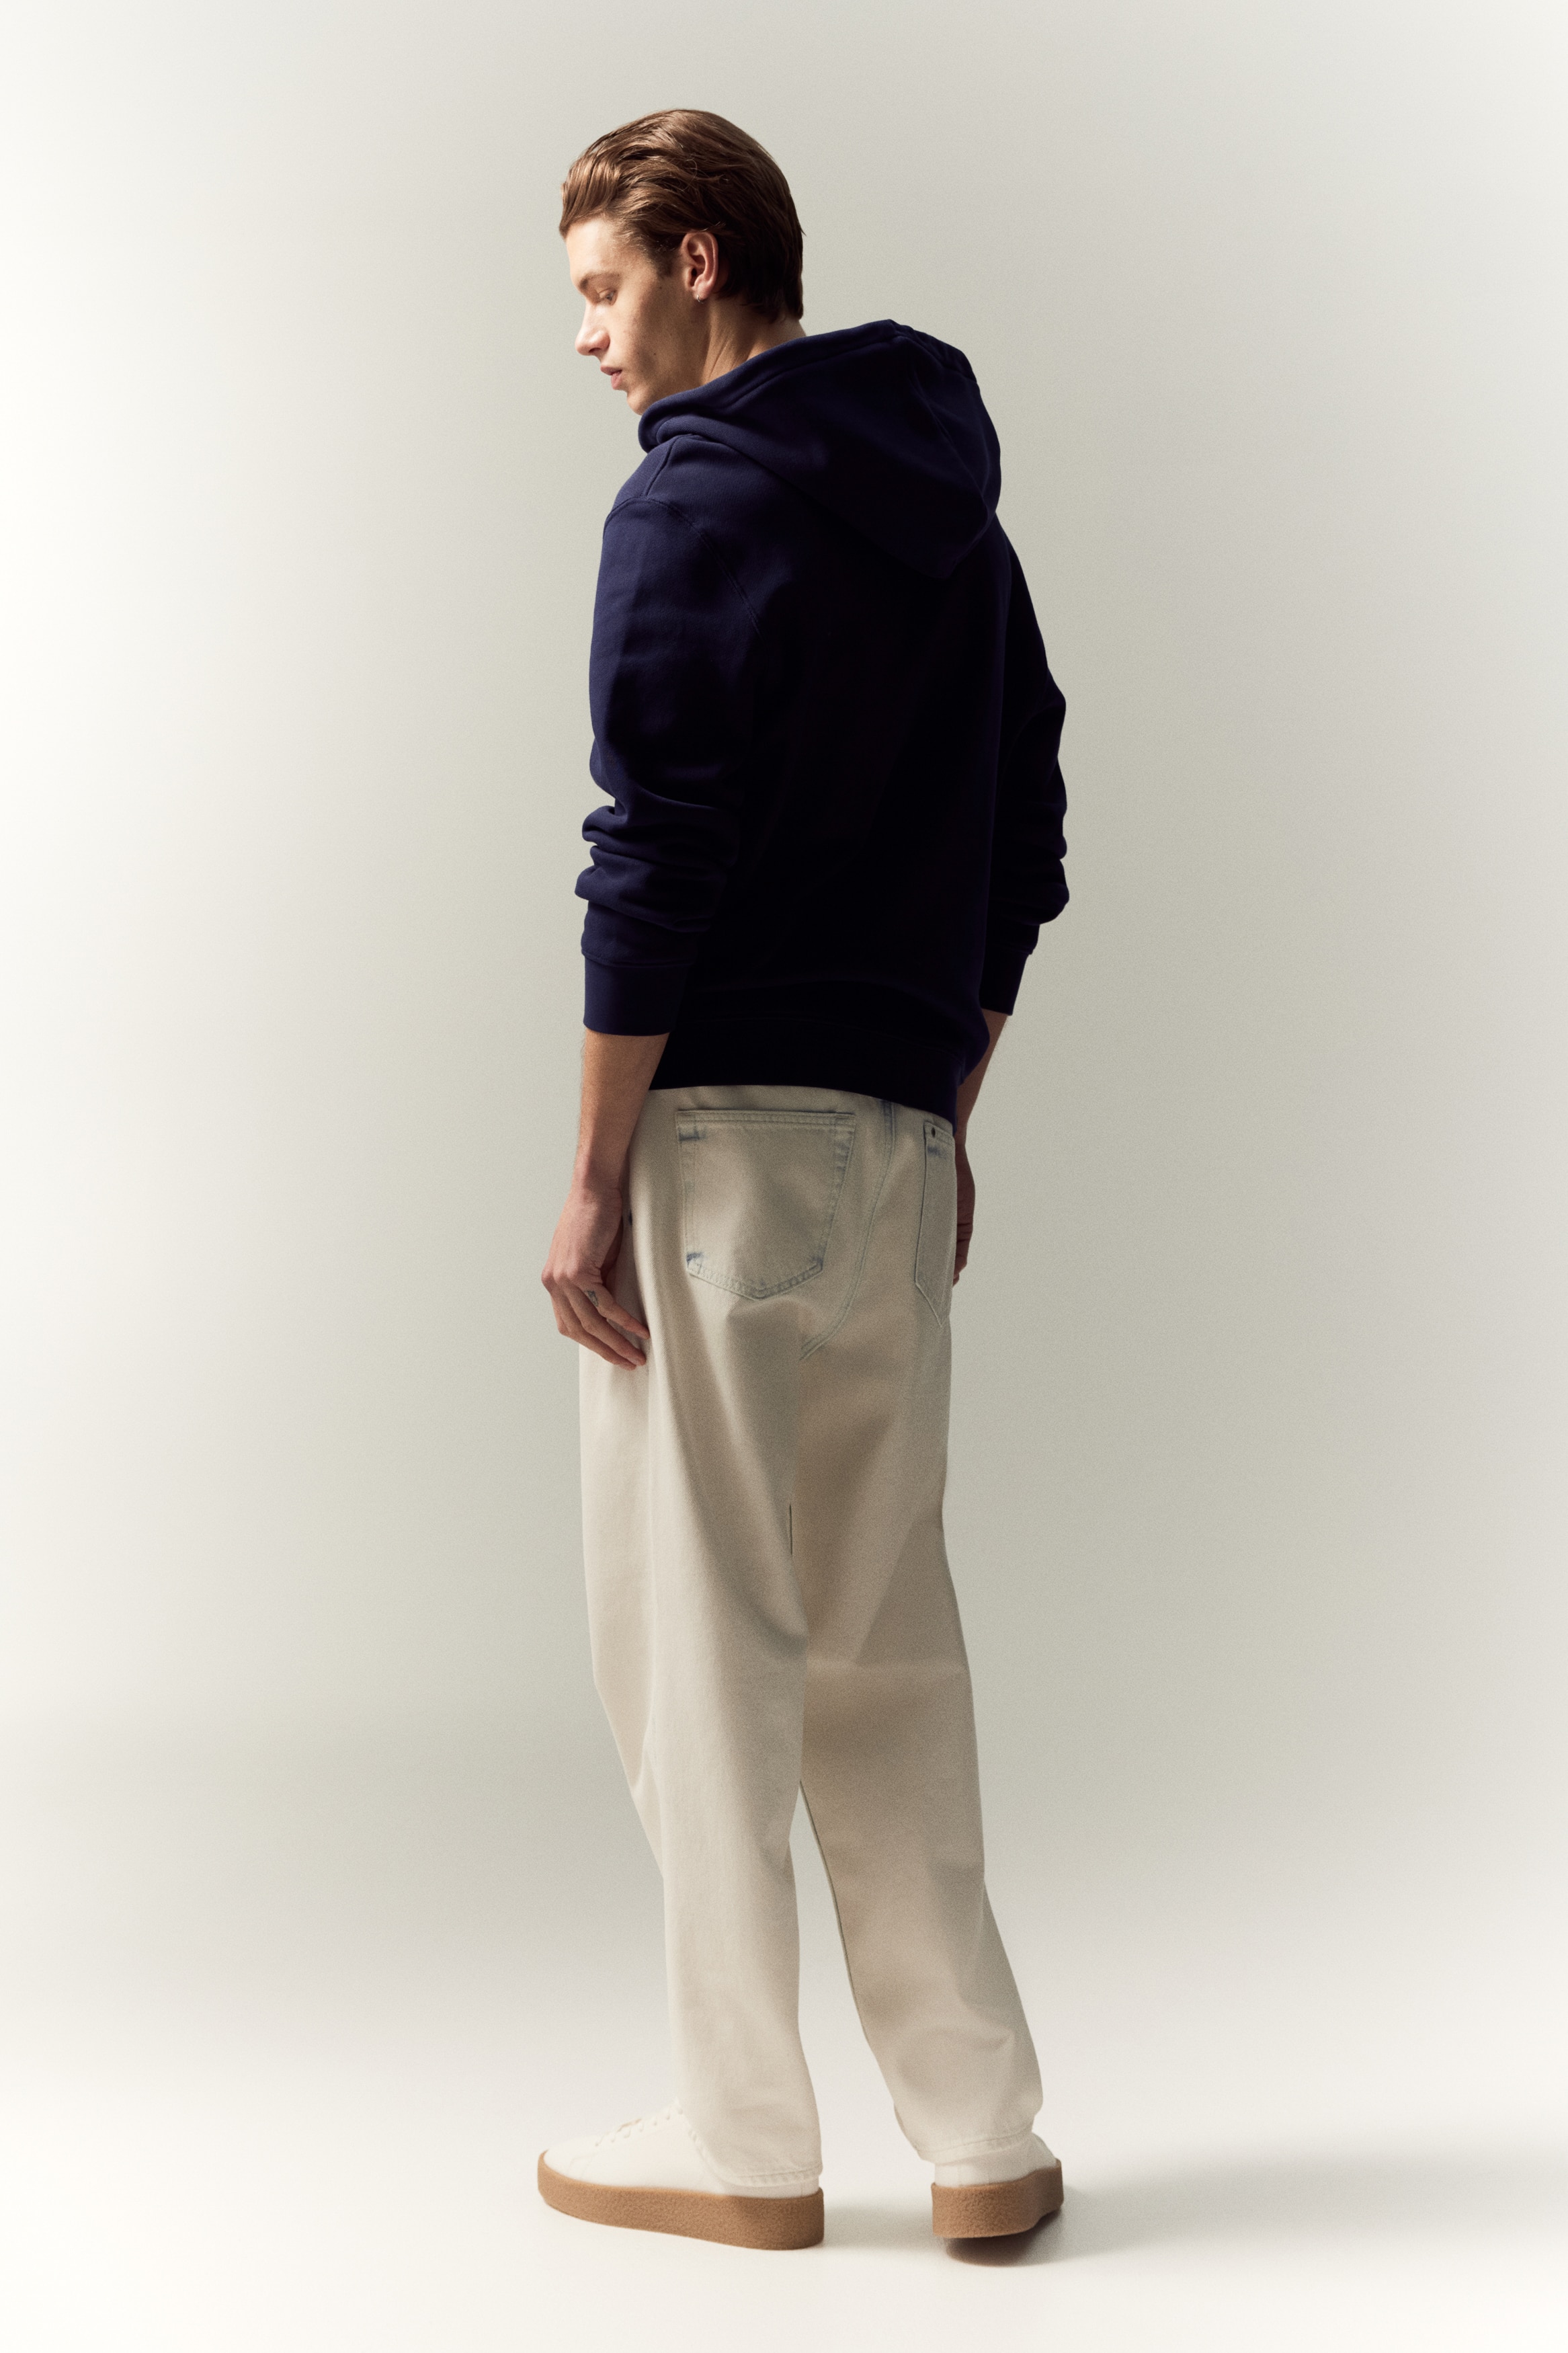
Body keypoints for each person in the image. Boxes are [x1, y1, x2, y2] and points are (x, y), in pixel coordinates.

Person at [538, 109, 1069, 2252]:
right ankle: (984, 2130)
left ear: (695, 257)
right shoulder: (958, 527)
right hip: (889, 1153)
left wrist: (592, 1176)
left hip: (720, 1163)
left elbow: (652, 852)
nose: (587, 336)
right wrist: (943, 1105)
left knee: (701, 1646)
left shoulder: (692, 501)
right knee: (883, 1643)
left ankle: (742, 2134)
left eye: (600, 287)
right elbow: (1025, 847)